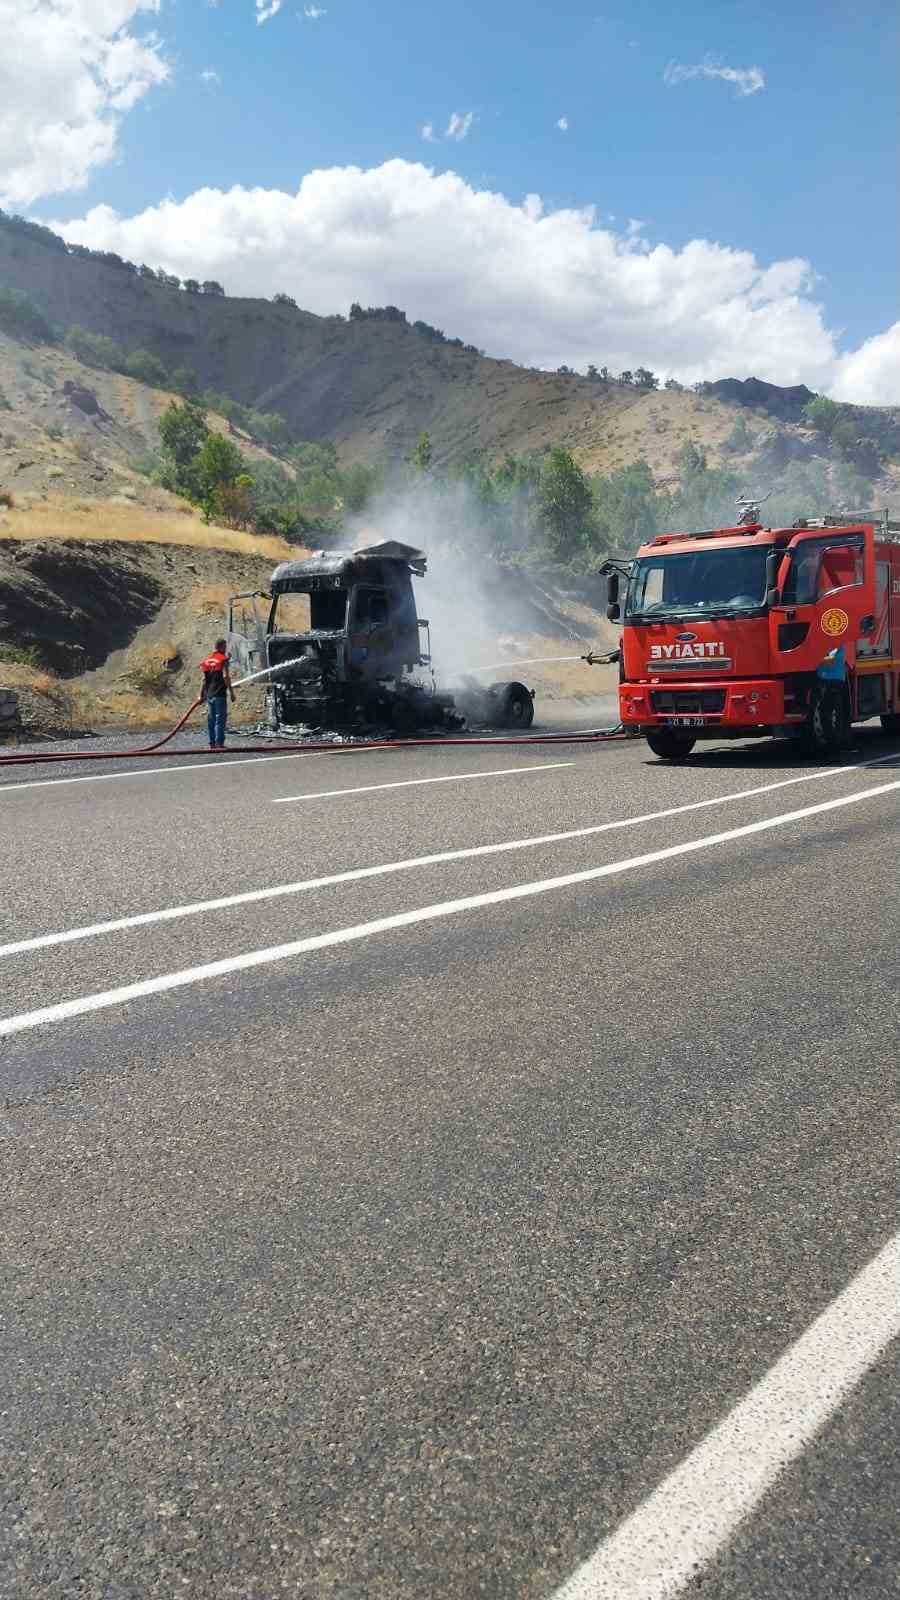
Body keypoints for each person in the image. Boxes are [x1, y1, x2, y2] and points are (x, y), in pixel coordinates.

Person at [199, 638, 235, 749]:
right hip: (220, 694)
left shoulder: (207, 660)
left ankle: (212, 743)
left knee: (211, 719)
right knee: (220, 719)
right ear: (221, 647)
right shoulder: (223, 659)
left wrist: (201, 695)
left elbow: (204, 680)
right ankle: (219, 743)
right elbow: (225, 676)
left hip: (210, 694)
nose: (226, 649)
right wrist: (232, 692)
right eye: (225, 647)